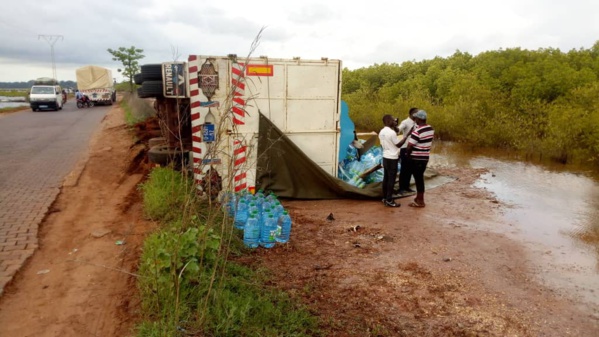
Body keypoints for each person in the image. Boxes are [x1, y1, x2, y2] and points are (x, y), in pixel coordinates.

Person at [406, 110, 434, 207]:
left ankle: (420, 201)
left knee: (418, 179)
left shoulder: (417, 131)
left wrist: (407, 155)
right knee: (420, 177)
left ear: (419, 119)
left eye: (416, 118)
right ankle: (418, 198)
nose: (415, 120)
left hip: (416, 158)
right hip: (425, 157)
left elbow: (410, 146)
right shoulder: (430, 128)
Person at [379, 114, 403, 207]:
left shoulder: (381, 131)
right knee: (391, 179)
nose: (395, 122)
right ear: (389, 121)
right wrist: (406, 136)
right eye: (393, 120)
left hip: (385, 156)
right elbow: (399, 144)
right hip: (392, 158)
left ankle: (385, 197)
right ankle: (389, 199)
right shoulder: (391, 133)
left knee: (386, 178)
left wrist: (395, 127)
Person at [397, 107, 418, 195]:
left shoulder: (416, 123)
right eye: (416, 113)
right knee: (404, 169)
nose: (417, 115)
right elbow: (398, 130)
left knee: (410, 168)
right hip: (405, 147)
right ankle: (401, 188)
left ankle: (407, 186)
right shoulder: (405, 122)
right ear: (411, 114)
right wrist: (396, 128)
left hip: (413, 148)